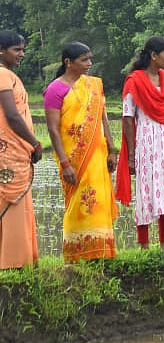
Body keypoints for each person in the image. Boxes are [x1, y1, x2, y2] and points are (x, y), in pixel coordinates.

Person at [44, 42, 117, 262]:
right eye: (84, 59)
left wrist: (112, 150)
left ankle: (101, 251)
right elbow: (53, 130)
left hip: (98, 154)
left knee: (99, 201)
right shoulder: (55, 89)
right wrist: (66, 163)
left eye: (89, 59)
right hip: (74, 158)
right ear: (68, 62)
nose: (89, 64)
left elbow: (103, 119)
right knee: (79, 203)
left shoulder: (93, 86)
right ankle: (78, 253)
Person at [117, 36, 164, 249]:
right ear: (153, 55)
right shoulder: (134, 80)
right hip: (147, 142)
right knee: (146, 190)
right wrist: (131, 154)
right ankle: (144, 244)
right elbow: (128, 118)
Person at [0, 31, 41, 269]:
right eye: (17, 49)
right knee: (12, 201)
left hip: (14, 148)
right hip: (10, 150)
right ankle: (13, 261)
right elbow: (13, 116)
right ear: (2, 51)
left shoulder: (9, 75)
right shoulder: (3, 75)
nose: (22, 54)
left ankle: (16, 259)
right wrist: (34, 142)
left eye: (23, 49)